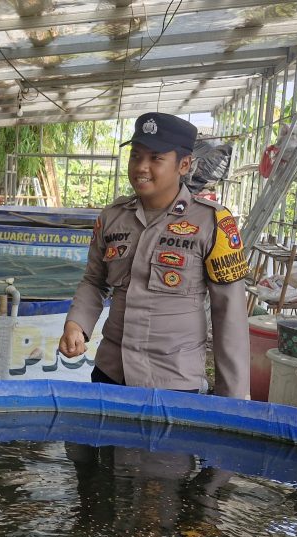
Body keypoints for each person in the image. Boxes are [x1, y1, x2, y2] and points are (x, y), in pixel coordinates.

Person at [58, 112, 249, 398]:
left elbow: (229, 314)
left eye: (156, 158)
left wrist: (234, 398)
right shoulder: (112, 217)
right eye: (136, 156)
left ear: (184, 164)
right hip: (111, 373)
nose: (141, 167)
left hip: (174, 382)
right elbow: (95, 282)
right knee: (102, 444)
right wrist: (77, 325)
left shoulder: (213, 223)